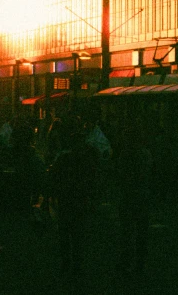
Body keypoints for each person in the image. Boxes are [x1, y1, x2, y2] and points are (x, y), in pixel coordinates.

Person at [48, 115, 99, 277]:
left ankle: (66, 263)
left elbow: (53, 178)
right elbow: (94, 180)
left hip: (66, 200)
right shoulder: (88, 158)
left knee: (65, 234)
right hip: (80, 200)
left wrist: (51, 196)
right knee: (78, 235)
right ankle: (76, 264)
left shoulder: (64, 158)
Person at [116, 123, 153, 276]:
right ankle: (140, 262)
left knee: (127, 230)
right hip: (143, 194)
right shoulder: (145, 153)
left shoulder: (127, 154)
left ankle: (126, 262)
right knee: (141, 231)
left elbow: (122, 175)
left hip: (129, 195)